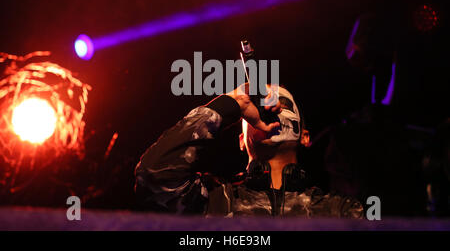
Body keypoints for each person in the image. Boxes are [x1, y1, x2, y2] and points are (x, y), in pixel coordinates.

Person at [134, 84, 363, 217]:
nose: (271, 111)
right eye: (260, 108)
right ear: (242, 140)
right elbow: (154, 174)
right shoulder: (212, 203)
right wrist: (232, 104)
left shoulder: (341, 211)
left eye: (282, 107)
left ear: (304, 136)